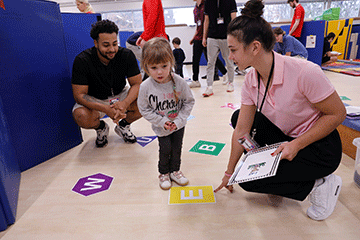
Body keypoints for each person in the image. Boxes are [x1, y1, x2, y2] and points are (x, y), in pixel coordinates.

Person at [215, 0, 346, 221]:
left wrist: (296, 145)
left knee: (250, 180)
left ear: (255, 47)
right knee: (239, 120)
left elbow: (338, 114)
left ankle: (320, 184)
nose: (231, 57)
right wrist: (229, 173)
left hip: (318, 147)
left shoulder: (305, 72)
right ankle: (280, 181)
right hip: (285, 139)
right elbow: (242, 131)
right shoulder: (251, 79)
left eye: (233, 50)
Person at [71, 20, 142, 147]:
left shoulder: (126, 55)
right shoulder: (82, 60)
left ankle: (123, 126)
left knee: (146, 100)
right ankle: (101, 127)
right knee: (81, 116)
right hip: (96, 99)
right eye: (106, 45)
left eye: (114, 44)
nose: (112, 49)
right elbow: (79, 95)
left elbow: (137, 84)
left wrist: (125, 104)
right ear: (96, 43)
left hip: (121, 94)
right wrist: (105, 109)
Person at [138, 38, 195, 190]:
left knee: (177, 147)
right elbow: (144, 109)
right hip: (161, 127)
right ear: (145, 66)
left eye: (164, 66)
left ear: (171, 62)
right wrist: (162, 121)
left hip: (179, 124)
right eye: (154, 67)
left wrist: (179, 120)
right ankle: (163, 173)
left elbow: (189, 101)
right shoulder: (145, 87)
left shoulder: (179, 82)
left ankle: (175, 171)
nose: (160, 71)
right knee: (165, 149)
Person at [189, 0, 228, 88]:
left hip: (208, 36)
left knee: (212, 58)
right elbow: (198, 25)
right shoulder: (195, 9)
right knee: (195, 59)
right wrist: (193, 37)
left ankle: (225, 73)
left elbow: (208, 21)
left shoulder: (207, 4)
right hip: (198, 38)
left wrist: (205, 37)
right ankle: (195, 80)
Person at [202, 0, 237, 96]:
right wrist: (204, 37)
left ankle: (231, 82)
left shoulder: (230, 1)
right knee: (210, 62)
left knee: (228, 60)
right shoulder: (208, 2)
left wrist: (234, 36)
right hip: (212, 36)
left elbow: (234, 19)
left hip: (226, 36)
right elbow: (206, 20)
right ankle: (209, 86)